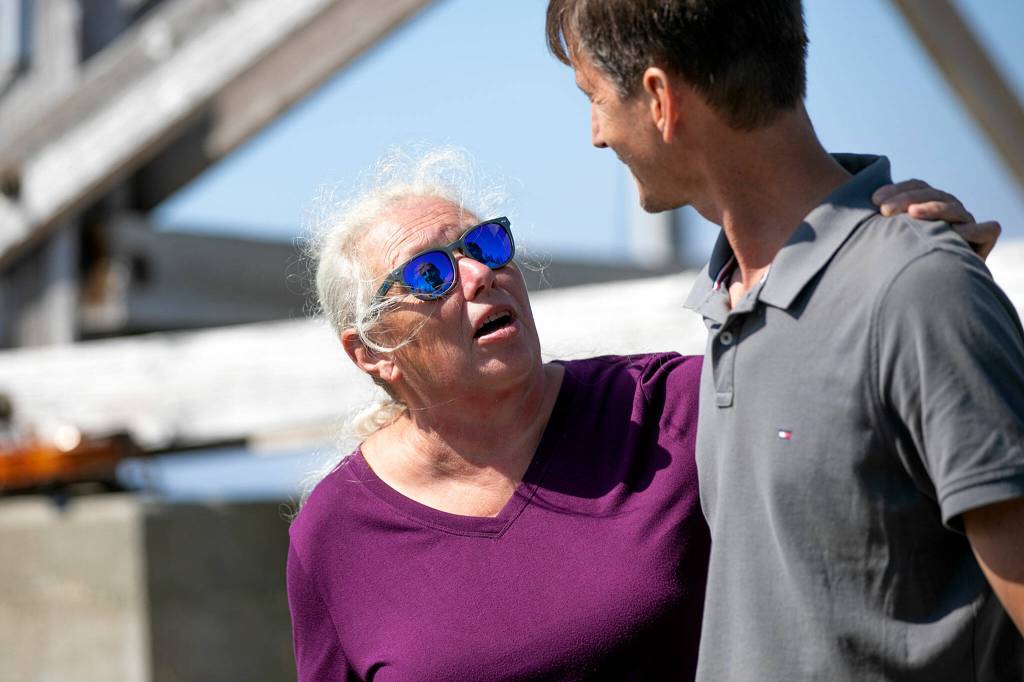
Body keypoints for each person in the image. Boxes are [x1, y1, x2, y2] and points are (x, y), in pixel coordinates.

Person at [287, 149, 993, 680]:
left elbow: (844, 397)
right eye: (430, 274)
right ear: (371, 352)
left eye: (484, 245)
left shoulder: (666, 409)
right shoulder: (333, 532)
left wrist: (899, 268)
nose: (480, 274)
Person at [546, 1, 1024, 679]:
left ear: (659, 98)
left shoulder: (918, 289)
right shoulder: (731, 306)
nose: (596, 135)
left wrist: (923, 282)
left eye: (593, 97)